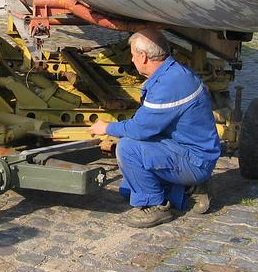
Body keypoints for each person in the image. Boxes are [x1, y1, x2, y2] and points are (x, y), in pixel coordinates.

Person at [88, 28, 221, 228]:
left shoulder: (168, 84)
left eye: (133, 55)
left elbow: (140, 129)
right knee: (128, 188)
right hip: (187, 149)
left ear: (143, 57)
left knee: (127, 149)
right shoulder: (174, 73)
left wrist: (106, 127)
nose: (131, 60)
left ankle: (155, 206)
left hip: (194, 159)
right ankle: (189, 190)